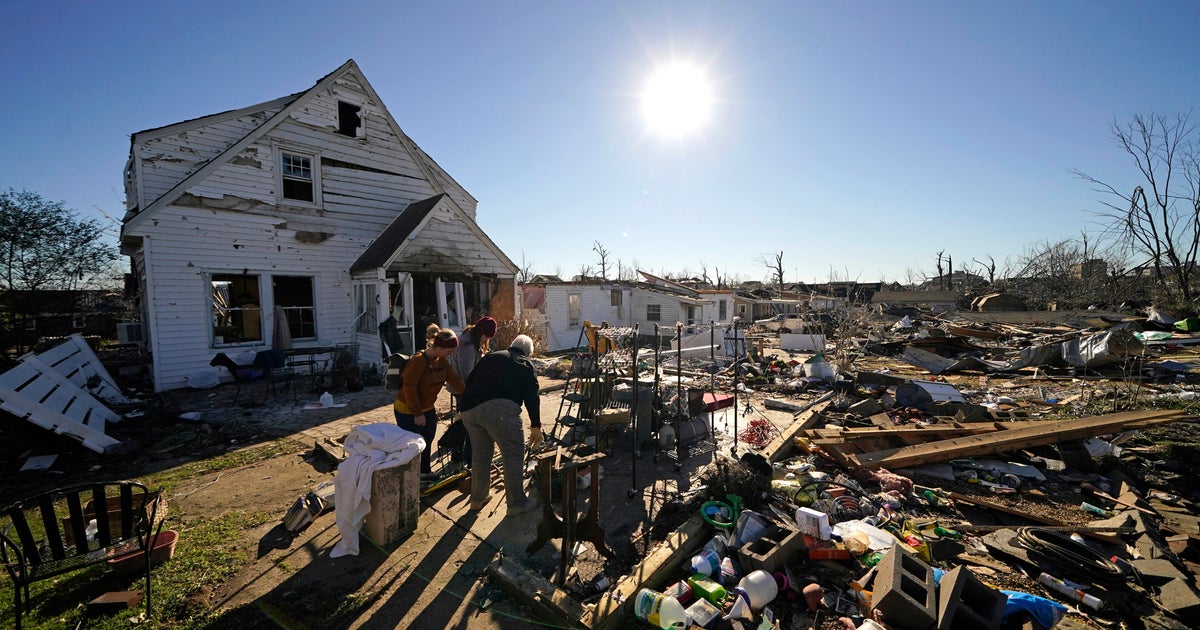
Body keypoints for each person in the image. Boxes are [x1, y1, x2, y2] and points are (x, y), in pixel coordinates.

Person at [458, 334, 542, 516]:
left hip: (469, 411)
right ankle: (517, 504)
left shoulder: (490, 357)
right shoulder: (524, 363)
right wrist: (536, 425)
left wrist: (462, 409)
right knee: (513, 455)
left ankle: (477, 499)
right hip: (500, 412)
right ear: (528, 352)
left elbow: (469, 381)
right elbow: (532, 396)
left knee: (480, 455)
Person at [395, 328, 465, 475]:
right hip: (408, 411)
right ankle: (411, 476)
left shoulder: (442, 362)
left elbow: (455, 380)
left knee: (427, 441)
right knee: (413, 446)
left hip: (427, 408)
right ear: (440, 347)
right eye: (449, 351)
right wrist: (417, 414)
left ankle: (425, 472)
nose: (450, 354)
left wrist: (470, 395)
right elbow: (409, 388)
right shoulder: (418, 361)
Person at [450, 316, 497, 380]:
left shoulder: (469, 338)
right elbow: (467, 376)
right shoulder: (467, 347)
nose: (485, 341)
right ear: (483, 335)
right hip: (461, 385)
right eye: (487, 338)